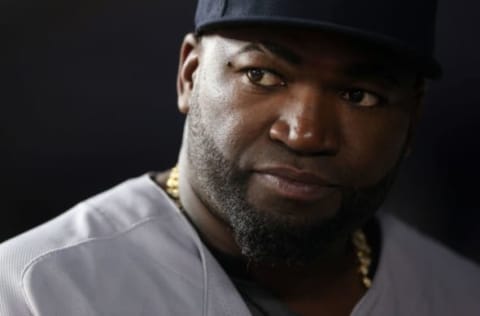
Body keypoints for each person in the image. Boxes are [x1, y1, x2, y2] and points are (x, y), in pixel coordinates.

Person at [1, 0, 479, 315]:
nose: (306, 133)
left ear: (412, 120)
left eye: (360, 95)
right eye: (263, 76)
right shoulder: (37, 289)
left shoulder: (459, 295)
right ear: (189, 76)